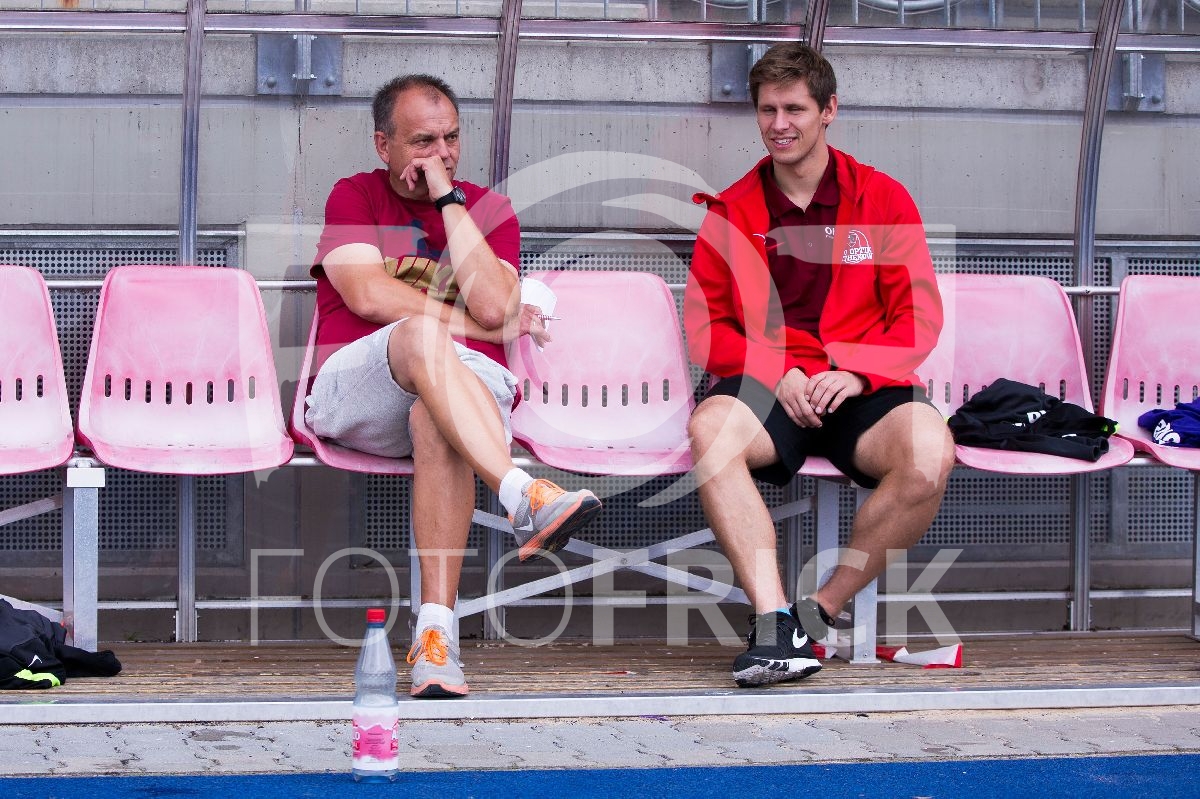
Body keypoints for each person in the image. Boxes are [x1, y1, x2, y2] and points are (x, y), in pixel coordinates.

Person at [307, 74, 602, 698]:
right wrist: (469, 325)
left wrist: (447, 198)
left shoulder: (488, 210)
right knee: (419, 337)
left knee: (436, 419)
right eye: (423, 142)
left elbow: (495, 303)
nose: (440, 154)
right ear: (384, 144)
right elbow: (366, 294)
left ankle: (435, 638)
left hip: (466, 392)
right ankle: (520, 491)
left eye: (451, 139)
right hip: (362, 385)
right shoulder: (354, 195)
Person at [684, 44, 955, 688]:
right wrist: (776, 371)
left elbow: (918, 317)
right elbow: (706, 329)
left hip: (862, 387)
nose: (779, 124)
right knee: (710, 430)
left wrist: (858, 373)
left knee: (930, 452)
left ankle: (816, 615)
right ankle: (772, 623)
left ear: (828, 110)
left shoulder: (883, 198)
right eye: (767, 110)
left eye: (795, 109)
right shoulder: (730, 211)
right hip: (769, 384)